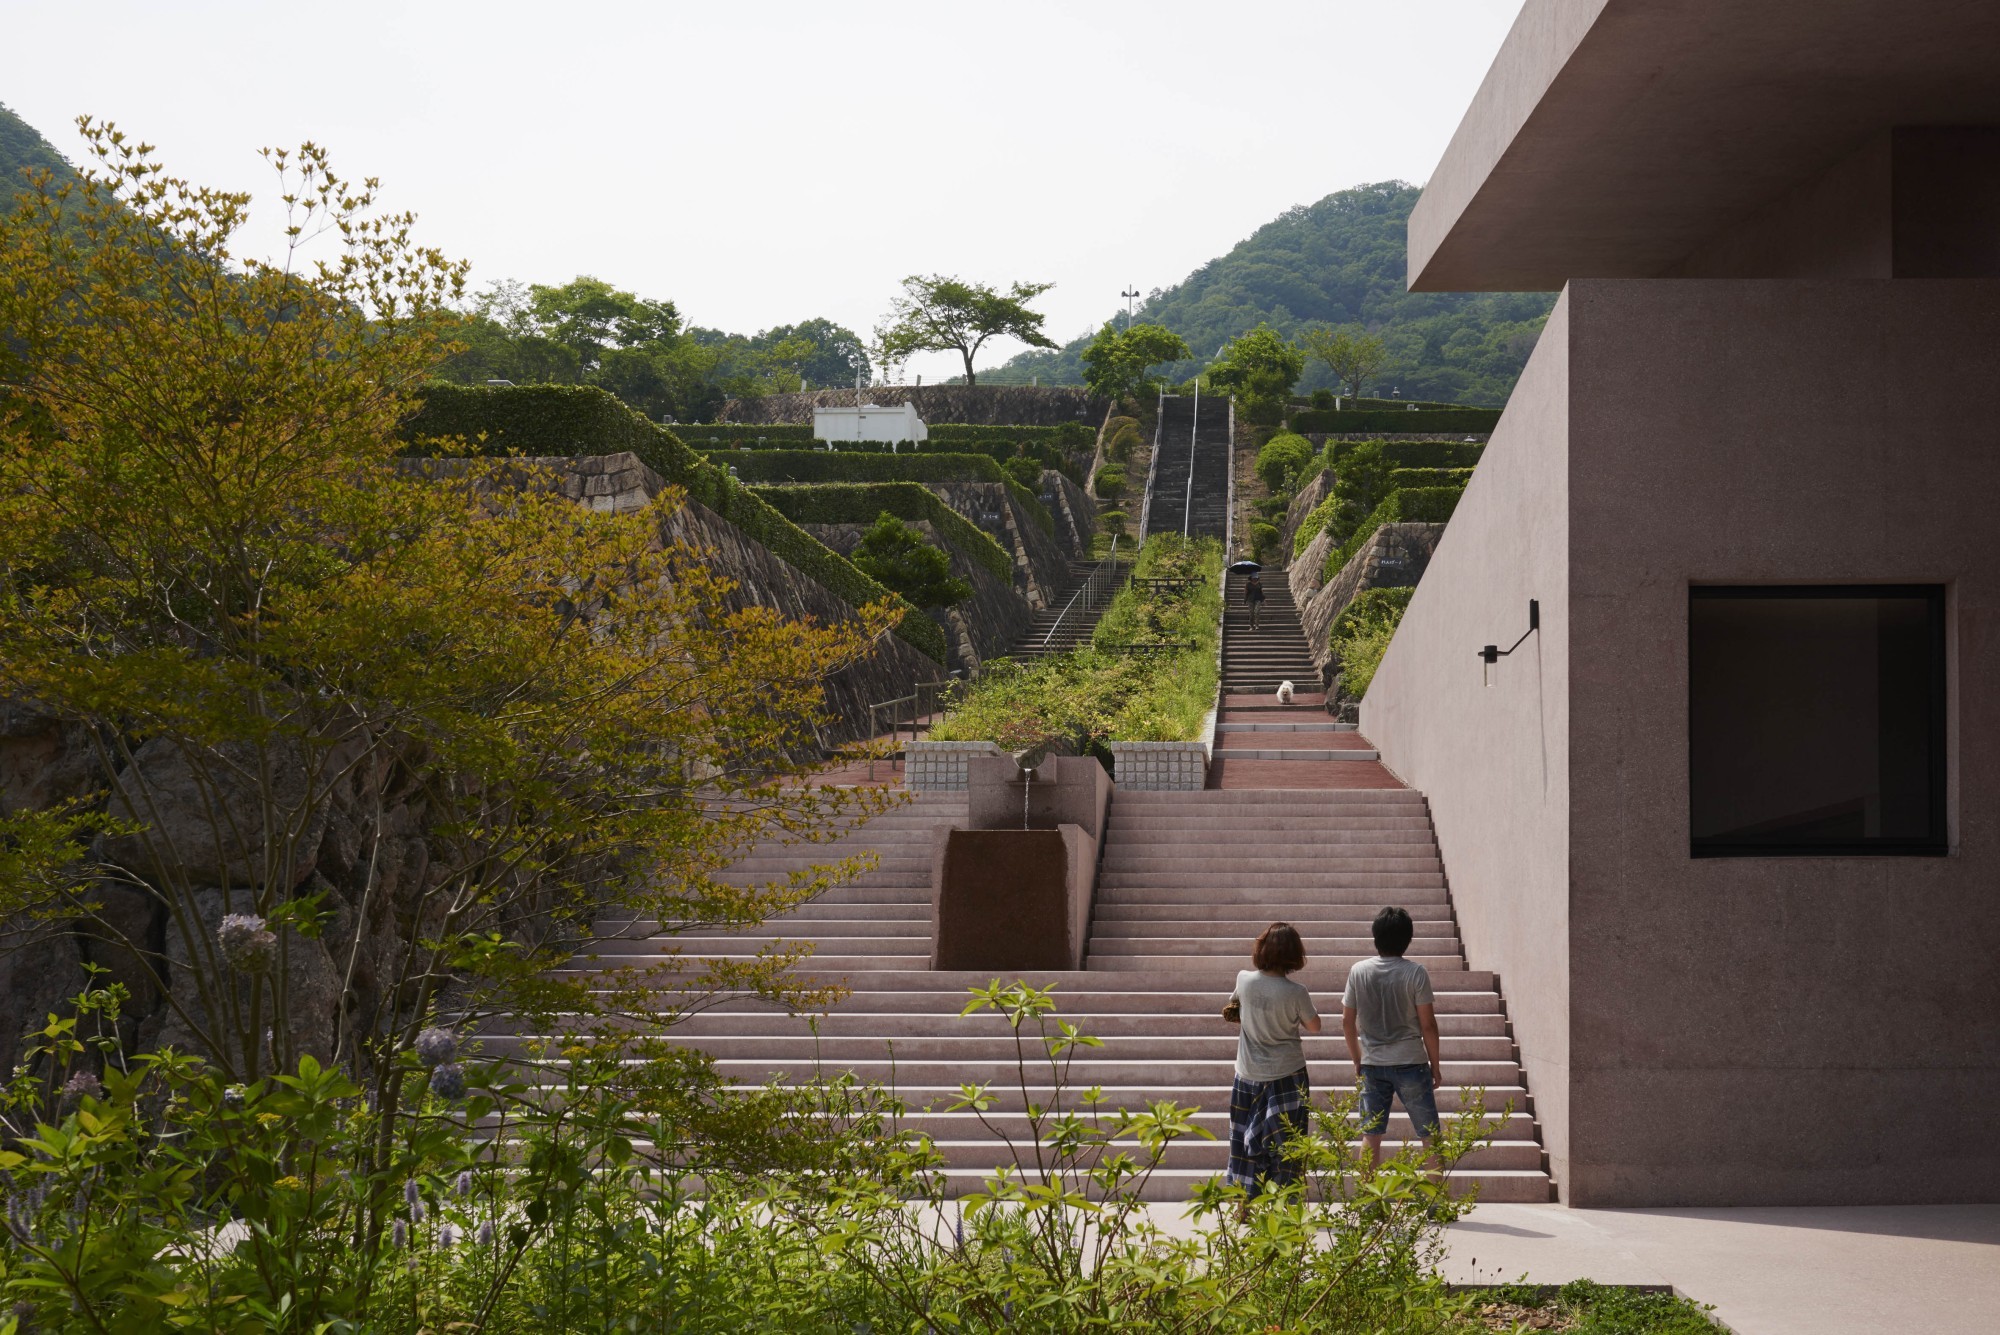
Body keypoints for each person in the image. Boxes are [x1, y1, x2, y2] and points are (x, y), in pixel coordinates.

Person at [1225, 922, 1321, 1207]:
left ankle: (1244, 1206)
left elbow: (1233, 1007)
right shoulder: (1296, 992)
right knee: (1288, 1145)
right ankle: (1286, 1208)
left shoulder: (1244, 980)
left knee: (1243, 1143)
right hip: (1288, 1075)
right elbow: (1315, 1026)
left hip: (1247, 1074)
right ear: (1295, 954)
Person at [1342, 906, 1444, 1169]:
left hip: (1373, 1063)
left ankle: (1370, 1204)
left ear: (1375, 938)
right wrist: (1436, 1065)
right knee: (1429, 1133)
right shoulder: (1415, 972)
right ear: (1407, 940)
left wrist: (1357, 1058)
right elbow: (1428, 1025)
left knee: (1371, 1135)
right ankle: (1436, 1204)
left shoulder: (1358, 971)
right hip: (1411, 1061)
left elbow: (1347, 1021)